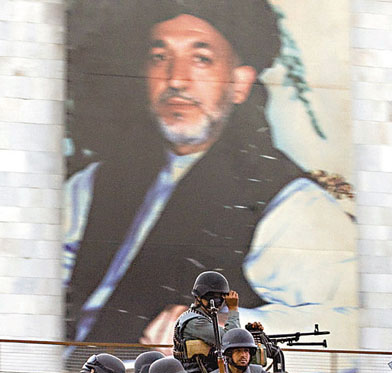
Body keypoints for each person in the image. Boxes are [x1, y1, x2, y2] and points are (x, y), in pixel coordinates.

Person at [65, 0, 355, 345]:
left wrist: (225, 331)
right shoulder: (93, 183)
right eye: (160, 56)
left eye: (201, 59)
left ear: (239, 84)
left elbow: (348, 325)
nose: (176, 79)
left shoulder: (290, 202)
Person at [173, 270, 240, 373]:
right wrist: (233, 310)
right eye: (216, 298)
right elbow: (229, 340)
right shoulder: (194, 321)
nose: (219, 303)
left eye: (221, 298)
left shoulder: (204, 318)